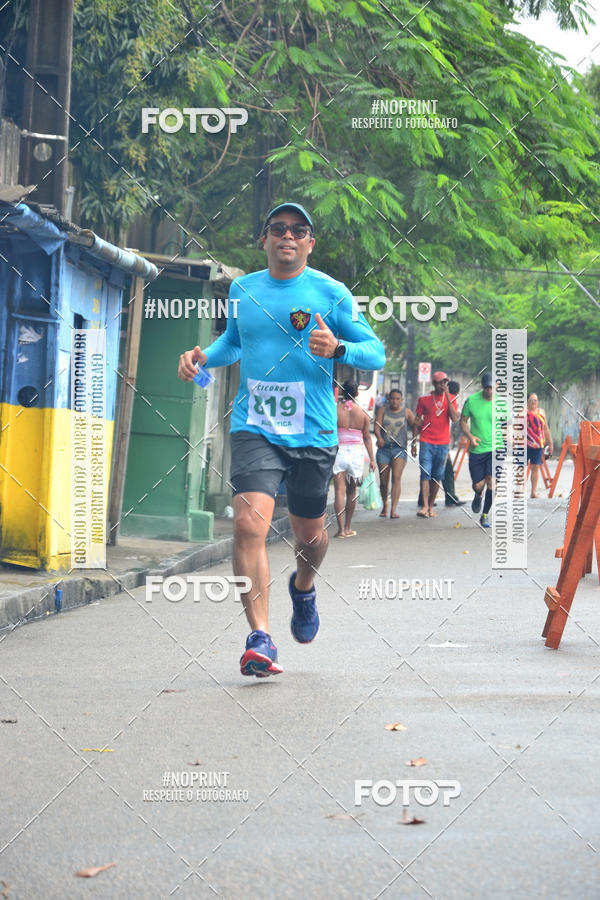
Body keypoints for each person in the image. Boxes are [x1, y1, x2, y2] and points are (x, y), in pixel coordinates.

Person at [178, 202, 385, 677]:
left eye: (298, 230)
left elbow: (375, 352)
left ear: (310, 242)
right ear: (265, 239)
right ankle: (261, 638)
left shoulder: (331, 293)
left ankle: (304, 586)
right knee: (248, 525)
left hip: (313, 432)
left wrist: (339, 348)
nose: (287, 236)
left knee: (310, 536)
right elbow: (234, 343)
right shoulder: (243, 290)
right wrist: (203, 357)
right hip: (255, 427)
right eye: (278, 229)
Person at [460, 372, 508, 528]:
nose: (490, 391)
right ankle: (478, 494)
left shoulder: (502, 403)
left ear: (497, 386)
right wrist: (470, 436)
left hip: (497, 447)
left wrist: (510, 436)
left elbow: (508, 423)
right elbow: (463, 421)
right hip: (477, 449)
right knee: (478, 485)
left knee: (492, 481)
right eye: (487, 388)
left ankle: (485, 514)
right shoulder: (472, 401)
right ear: (483, 387)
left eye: (492, 387)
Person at [412, 371, 459, 517]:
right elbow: (417, 420)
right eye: (439, 382)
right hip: (426, 441)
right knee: (425, 473)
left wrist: (448, 397)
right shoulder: (424, 399)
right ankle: (425, 506)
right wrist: (413, 442)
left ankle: (431, 506)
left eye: (445, 382)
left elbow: (454, 418)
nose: (442, 385)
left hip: (443, 443)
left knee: (438, 475)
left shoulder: (451, 398)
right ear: (434, 383)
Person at [333, 380, 376, 537]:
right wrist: (372, 459)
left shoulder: (335, 411)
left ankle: (340, 530)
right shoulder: (363, 414)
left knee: (339, 491)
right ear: (357, 393)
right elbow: (367, 438)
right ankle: (348, 527)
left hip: (339, 452)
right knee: (352, 492)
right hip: (356, 454)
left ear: (342, 392)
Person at [374, 388, 415, 518]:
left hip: (399, 449)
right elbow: (377, 426)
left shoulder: (406, 412)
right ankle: (385, 504)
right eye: (392, 398)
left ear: (401, 400)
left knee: (396, 478)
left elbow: (415, 426)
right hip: (384, 449)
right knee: (383, 481)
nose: (394, 401)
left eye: (397, 399)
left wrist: (414, 443)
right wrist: (379, 438)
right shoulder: (382, 410)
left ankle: (393, 509)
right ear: (388, 399)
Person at [527, 393, 553, 498]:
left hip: (538, 445)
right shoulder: (522, 413)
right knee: (520, 468)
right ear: (527, 401)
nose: (533, 402)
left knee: (535, 467)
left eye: (535, 400)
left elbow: (545, 428)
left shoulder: (541, 413)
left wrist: (550, 442)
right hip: (524, 445)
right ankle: (518, 491)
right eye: (531, 400)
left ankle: (533, 492)